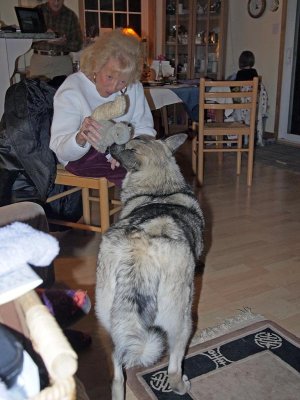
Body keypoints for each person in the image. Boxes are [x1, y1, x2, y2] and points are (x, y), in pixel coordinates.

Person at [49, 29, 157, 187]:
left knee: (159, 166)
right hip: (80, 158)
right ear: (96, 65)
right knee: (145, 178)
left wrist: (127, 152)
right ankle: (147, 207)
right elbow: (61, 149)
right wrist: (80, 137)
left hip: (122, 153)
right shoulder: (73, 89)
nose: (114, 87)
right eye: (109, 77)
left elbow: (145, 130)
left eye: (122, 82)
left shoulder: (134, 86)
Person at [29, 0, 83, 79]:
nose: (56, 3)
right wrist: (44, 36)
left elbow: (78, 44)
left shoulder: (71, 15)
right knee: (37, 90)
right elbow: (26, 38)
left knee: (64, 91)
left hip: (62, 63)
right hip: (40, 62)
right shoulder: (36, 11)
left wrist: (64, 43)